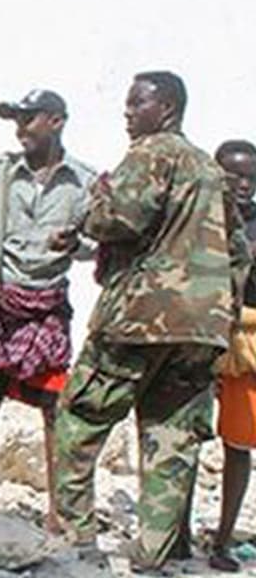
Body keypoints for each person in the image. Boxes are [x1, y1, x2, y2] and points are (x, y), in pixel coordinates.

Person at [53, 72, 250, 572]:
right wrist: (219, 314)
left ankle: (75, 541)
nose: (127, 112)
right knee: (172, 438)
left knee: (79, 419)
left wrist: (92, 207)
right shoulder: (211, 172)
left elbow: (119, 218)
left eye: (137, 102)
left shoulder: (151, 152)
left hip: (139, 319)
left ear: (167, 109)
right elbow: (239, 253)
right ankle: (155, 556)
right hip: (200, 330)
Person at [0, 89, 95, 531]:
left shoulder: (85, 182)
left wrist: (76, 244)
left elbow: (100, 243)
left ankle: (57, 510)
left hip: (47, 301)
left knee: (53, 403)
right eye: (16, 121)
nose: (20, 129)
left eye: (29, 119)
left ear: (56, 121)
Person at [209, 138, 256, 573]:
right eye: (233, 175)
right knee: (187, 437)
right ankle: (175, 536)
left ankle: (222, 539)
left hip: (247, 344)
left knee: (239, 443)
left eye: (250, 177)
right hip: (199, 337)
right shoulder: (199, 220)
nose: (243, 184)